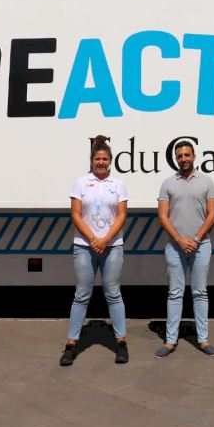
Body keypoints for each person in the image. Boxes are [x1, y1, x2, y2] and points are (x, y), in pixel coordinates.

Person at [61, 135, 128, 366]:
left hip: (112, 247)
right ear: (92, 161)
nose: (101, 162)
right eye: (97, 159)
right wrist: (93, 239)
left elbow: (121, 215)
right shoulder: (80, 183)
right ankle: (71, 344)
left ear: (110, 161)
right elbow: (75, 215)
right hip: (84, 247)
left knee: (113, 294)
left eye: (105, 159)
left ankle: (121, 342)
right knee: (81, 295)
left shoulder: (118, 184)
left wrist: (106, 240)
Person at [155, 140, 214, 357]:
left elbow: (213, 214)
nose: (183, 159)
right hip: (175, 247)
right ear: (176, 158)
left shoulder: (207, 182)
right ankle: (170, 341)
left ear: (194, 156)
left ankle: (203, 340)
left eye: (186, 155)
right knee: (175, 293)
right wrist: (180, 240)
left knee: (200, 292)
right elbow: (162, 216)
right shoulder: (167, 183)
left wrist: (196, 238)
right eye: (179, 156)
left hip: (201, 246)